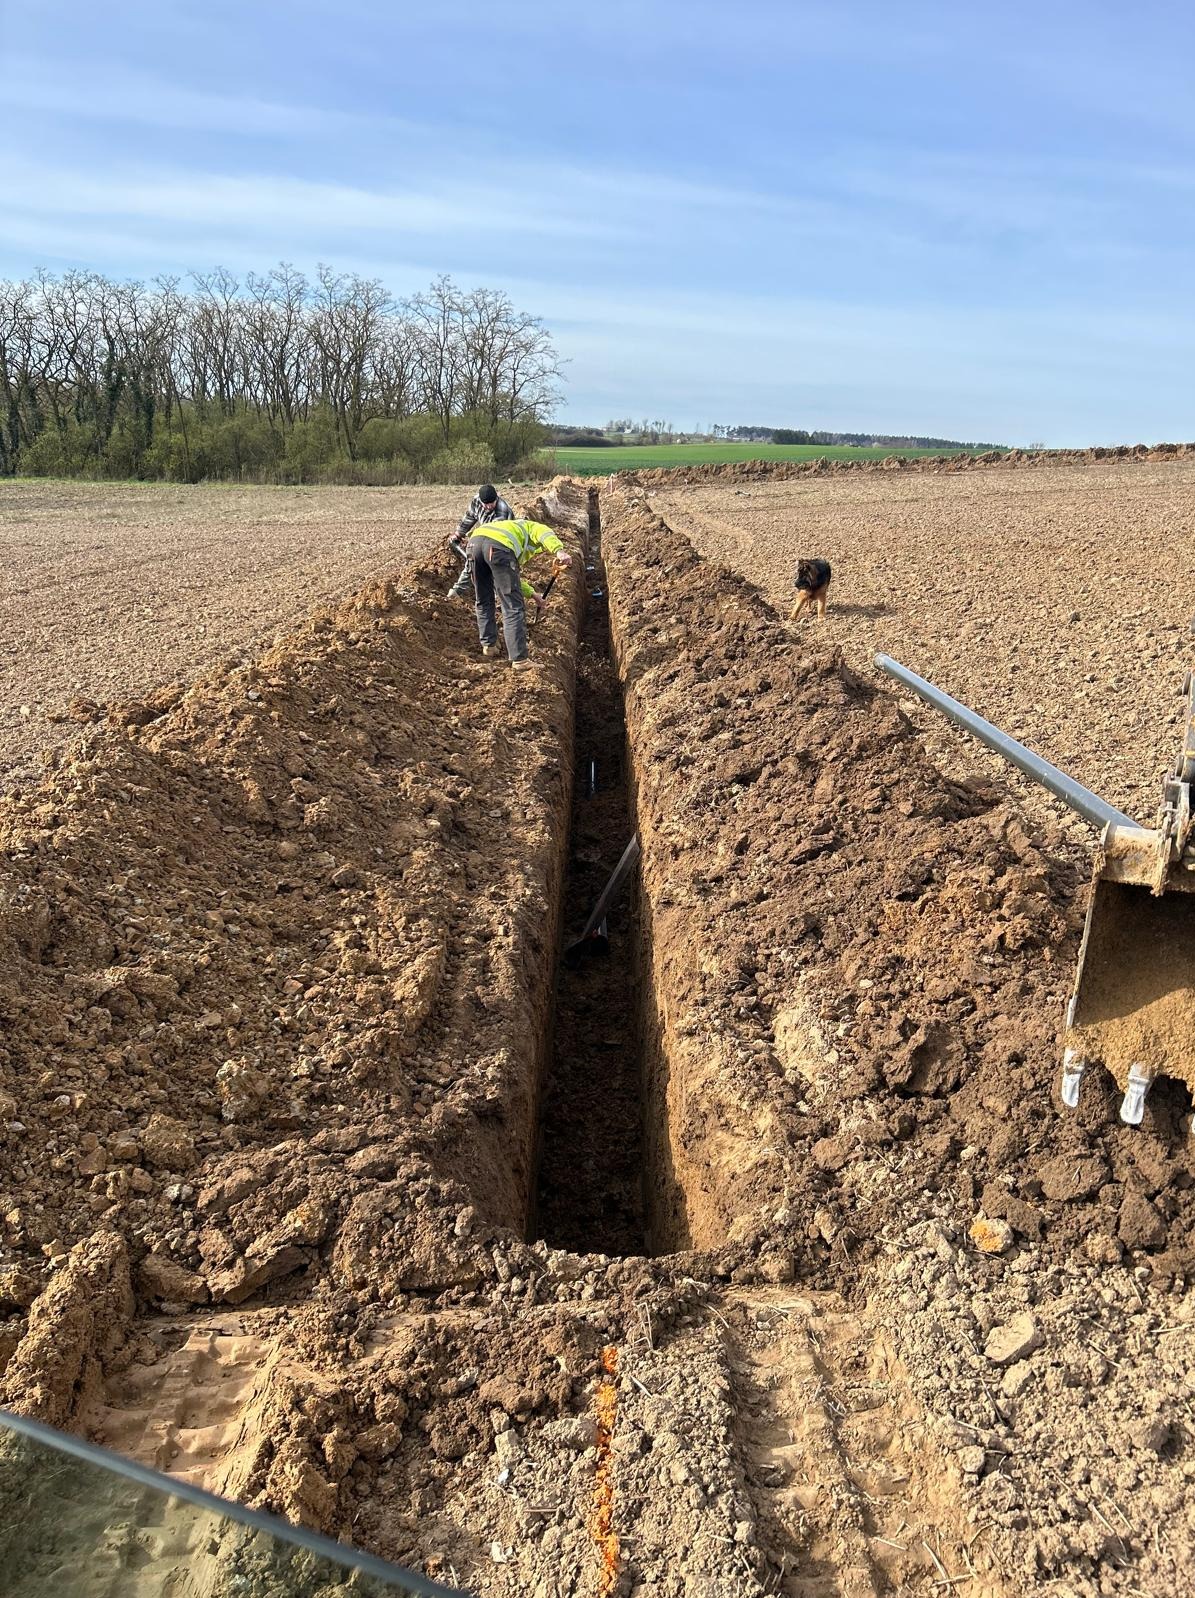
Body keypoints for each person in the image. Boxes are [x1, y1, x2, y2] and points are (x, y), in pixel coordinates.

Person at [468, 518, 571, 670]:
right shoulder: (532, 527)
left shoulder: (509, 529)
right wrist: (559, 551)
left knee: (483, 599)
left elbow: (511, 579)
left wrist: (533, 594)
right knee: (513, 607)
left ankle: (489, 645)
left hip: (474, 545)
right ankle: (520, 660)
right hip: (497, 549)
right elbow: (545, 534)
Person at [447, 484, 514, 599]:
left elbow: (493, 536)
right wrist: (459, 534)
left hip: (502, 541)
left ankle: (500, 597)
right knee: (473, 561)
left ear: (496, 499)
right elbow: (469, 518)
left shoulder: (502, 510)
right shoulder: (476, 501)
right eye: (485, 504)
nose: (488, 506)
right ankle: (457, 592)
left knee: (494, 567)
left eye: (491, 503)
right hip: (486, 535)